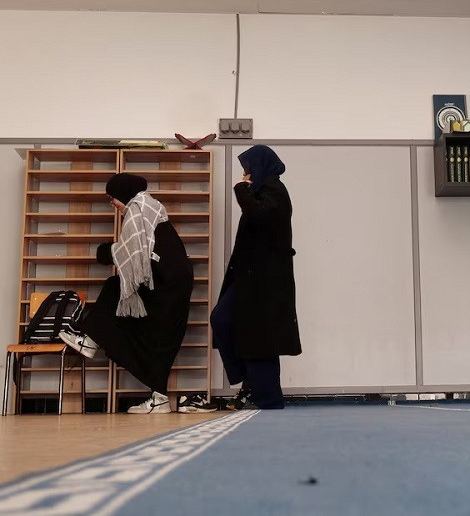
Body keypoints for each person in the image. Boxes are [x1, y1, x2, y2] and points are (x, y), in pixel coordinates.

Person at [58, 174, 208, 414]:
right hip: (172, 285)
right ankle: (159, 398)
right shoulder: (151, 206)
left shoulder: (137, 210)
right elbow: (140, 250)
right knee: (155, 339)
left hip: (166, 285)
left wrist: (105, 253)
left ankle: (89, 338)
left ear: (123, 194)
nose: (113, 205)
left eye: (112, 199)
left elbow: (130, 250)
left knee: (115, 289)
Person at [211, 145, 301, 410]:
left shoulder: (275, 190)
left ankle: (262, 394)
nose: (245, 174)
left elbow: (258, 215)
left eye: (248, 168)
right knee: (225, 321)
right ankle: (250, 385)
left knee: (259, 337)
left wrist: (241, 189)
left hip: (265, 282)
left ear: (260, 167)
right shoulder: (266, 191)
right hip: (252, 279)